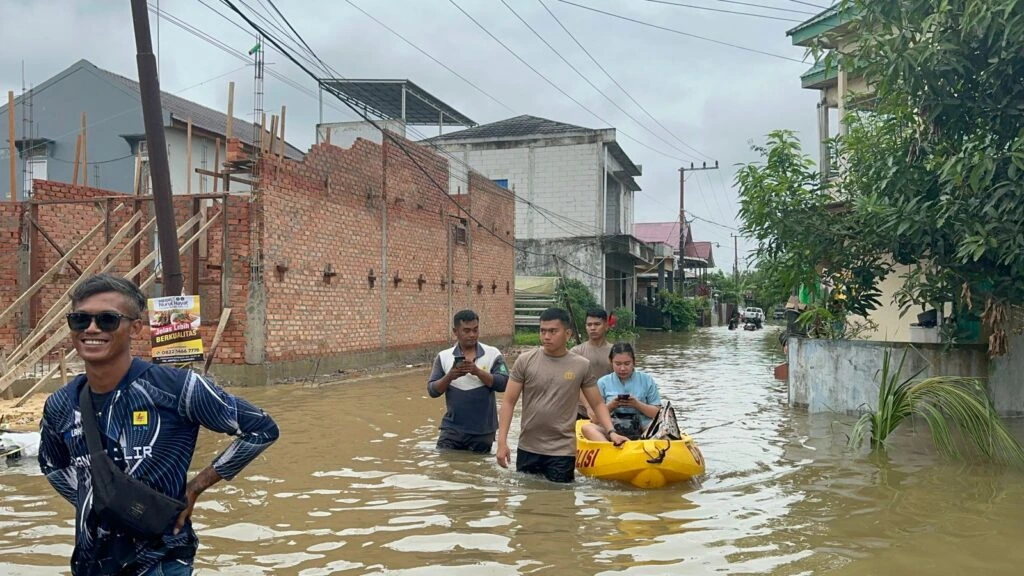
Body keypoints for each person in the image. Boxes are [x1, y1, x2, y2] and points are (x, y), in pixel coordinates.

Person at [38, 274, 280, 576]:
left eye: (107, 320)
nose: (91, 329)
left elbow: (261, 429)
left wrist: (194, 488)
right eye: (80, 320)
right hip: (93, 562)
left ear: (136, 328)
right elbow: (52, 464)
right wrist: (97, 498)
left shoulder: (178, 389)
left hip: (162, 559)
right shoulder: (61, 403)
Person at [496, 308, 628, 483]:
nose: (546, 336)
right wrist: (502, 442)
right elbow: (508, 402)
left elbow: (597, 403)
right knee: (527, 506)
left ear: (567, 333)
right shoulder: (525, 360)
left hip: (562, 450)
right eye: (543, 331)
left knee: (561, 501)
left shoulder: (581, 365)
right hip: (528, 447)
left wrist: (611, 432)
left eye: (553, 331)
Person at [427, 309, 509, 453]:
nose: (472, 335)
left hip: (483, 431)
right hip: (451, 429)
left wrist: (477, 371)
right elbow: (432, 390)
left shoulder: (493, 354)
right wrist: (450, 376)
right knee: (445, 467)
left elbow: (504, 384)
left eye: (475, 330)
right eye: (466, 331)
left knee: (477, 470)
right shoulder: (444, 357)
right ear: (455, 331)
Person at [581, 343, 662, 441]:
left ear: (634, 362)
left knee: (663, 430)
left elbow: (657, 413)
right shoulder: (603, 382)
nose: (622, 368)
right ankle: (609, 449)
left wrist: (637, 404)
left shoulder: (647, 380)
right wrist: (611, 405)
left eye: (627, 364)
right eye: (618, 364)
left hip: (642, 426)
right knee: (587, 428)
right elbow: (594, 419)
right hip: (612, 427)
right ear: (611, 362)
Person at [570, 308, 613, 420]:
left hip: (609, 408)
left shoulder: (615, 352)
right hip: (581, 410)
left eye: (597, 324)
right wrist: (588, 406)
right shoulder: (576, 352)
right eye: (589, 325)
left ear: (606, 326)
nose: (592, 328)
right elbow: (573, 383)